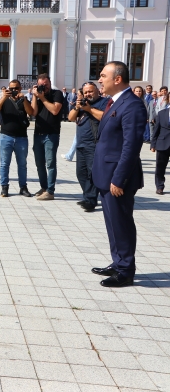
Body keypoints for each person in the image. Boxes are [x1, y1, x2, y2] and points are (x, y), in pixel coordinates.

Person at [91, 61, 146, 287]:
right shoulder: (114, 102)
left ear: (118, 79)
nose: (99, 80)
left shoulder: (132, 105)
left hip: (117, 178)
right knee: (112, 223)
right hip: (106, 174)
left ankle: (126, 270)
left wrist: (119, 178)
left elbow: (131, 146)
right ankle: (118, 261)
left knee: (121, 222)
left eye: (103, 75)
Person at [68, 82, 108, 212]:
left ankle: (90, 200)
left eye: (90, 91)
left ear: (97, 91)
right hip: (81, 143)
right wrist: (77, 107)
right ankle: (88, 197)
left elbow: (105, 117)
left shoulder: (104, 102)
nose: (88, 94)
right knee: (81, 173)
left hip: (94, 143)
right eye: (85, 92)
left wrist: (89, 109)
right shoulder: (82, 103)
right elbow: (70, 118)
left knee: (92, 173)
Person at [0, 80, 34, 197]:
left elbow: (31, 112)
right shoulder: (4, 100)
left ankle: (23, 187)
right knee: (4, 164)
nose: (14, 91)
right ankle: (4, 187)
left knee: (22, 164)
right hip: (6, 136)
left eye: (16, 88)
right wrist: (4, 97)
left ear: (20, 89)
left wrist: (24, 99)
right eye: (11, 88)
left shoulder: (24, 100)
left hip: (21, 138)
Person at [25, 73, 65, 200]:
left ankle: (50, 191)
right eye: (41, 85)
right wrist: (34, 96)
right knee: (39, 163)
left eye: (46, 84)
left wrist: (42, 98)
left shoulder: (56, 94)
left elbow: (55, 110)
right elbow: (33, 113)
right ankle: (44, 187)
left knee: (50, 163)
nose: (44, 87)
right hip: (38, 134)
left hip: (51, 134)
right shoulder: (37, 96)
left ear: (49, 83)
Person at [151, 100, 170, 195]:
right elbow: (156, 129)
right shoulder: (162, 113)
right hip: (163, 143)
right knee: (160, 167)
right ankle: (159, 186)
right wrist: (153, 144)